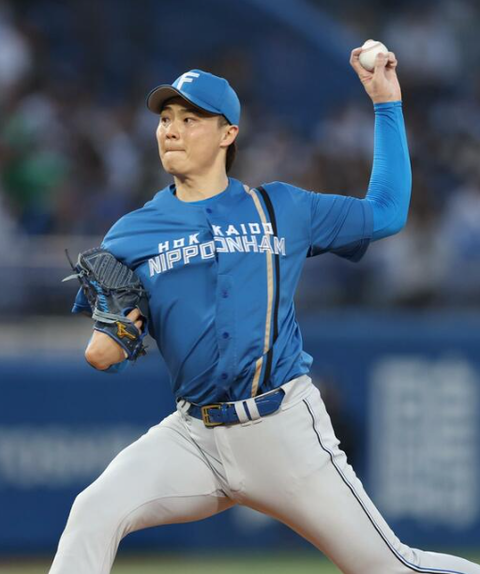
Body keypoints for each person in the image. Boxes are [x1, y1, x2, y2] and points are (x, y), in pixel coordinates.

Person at [49, 50, 480, 574]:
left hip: (283, 430)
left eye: (190, 118)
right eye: (165, 119)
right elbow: (110, 350)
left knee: (392, 567)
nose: (171, 130)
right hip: (195, 437)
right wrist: (108, 344)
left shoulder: (281, 208)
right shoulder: (131, 234)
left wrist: (386, 104)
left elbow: (387, 213)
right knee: (94, 510)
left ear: (227, 133)